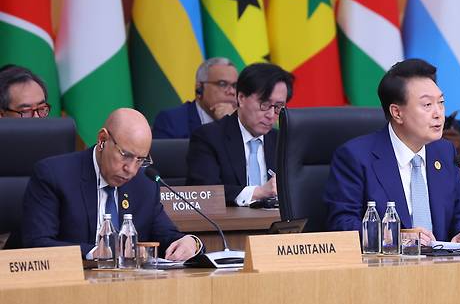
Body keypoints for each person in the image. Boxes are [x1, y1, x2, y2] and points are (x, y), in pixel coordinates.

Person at [324, 59, 460, 245]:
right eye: (427, 105)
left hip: (441, 268)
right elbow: (342, 224)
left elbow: (459, 210)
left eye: (441, 102)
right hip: (386, 268)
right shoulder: (355, 157)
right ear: (397, 113)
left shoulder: (444, 152)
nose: (439, 113)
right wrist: (395, 238)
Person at [22, 108, 200, 260]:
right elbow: (38, 244)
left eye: (140, 160)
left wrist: (191, 242)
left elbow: (167, 237)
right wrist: (95, 253)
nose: (131, 169)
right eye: (126, 155)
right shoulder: (54, 175)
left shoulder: (144, 184)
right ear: (102, 140)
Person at [186, 63, 294, 206]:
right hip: (231, 226)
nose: (270, 114)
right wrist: (258, 192)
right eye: (265, 104)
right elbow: (204, 193)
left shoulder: (284, 140)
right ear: (241, 98)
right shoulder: (208, 137)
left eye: (278, 107)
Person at [152, 58, 239, 139]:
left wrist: (230, 124)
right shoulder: (171, 121)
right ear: (199, 88)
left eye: (235, 86)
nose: (232, 91)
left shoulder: (243, 122)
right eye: (222, 84)